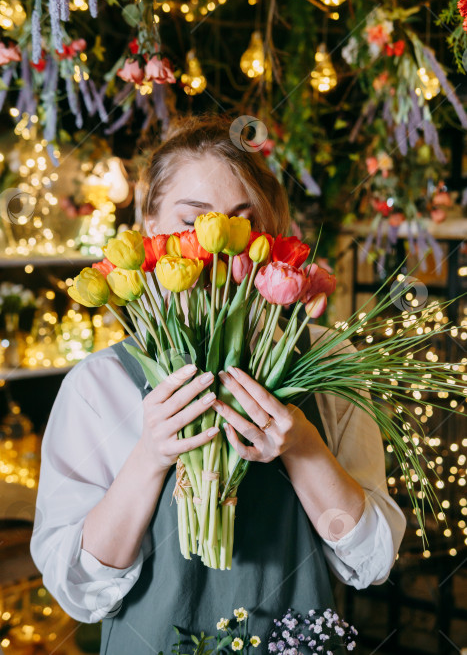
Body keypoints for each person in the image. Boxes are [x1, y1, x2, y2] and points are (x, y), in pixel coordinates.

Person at [30, 114, 406, 653]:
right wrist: (150, 454)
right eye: (194, 220)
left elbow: (369, 563)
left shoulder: (327, 361)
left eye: (241, 223)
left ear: (272, 237)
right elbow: (79, 593)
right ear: (148, 227)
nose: (219, 249)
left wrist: (301, 447)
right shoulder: (99, 384)